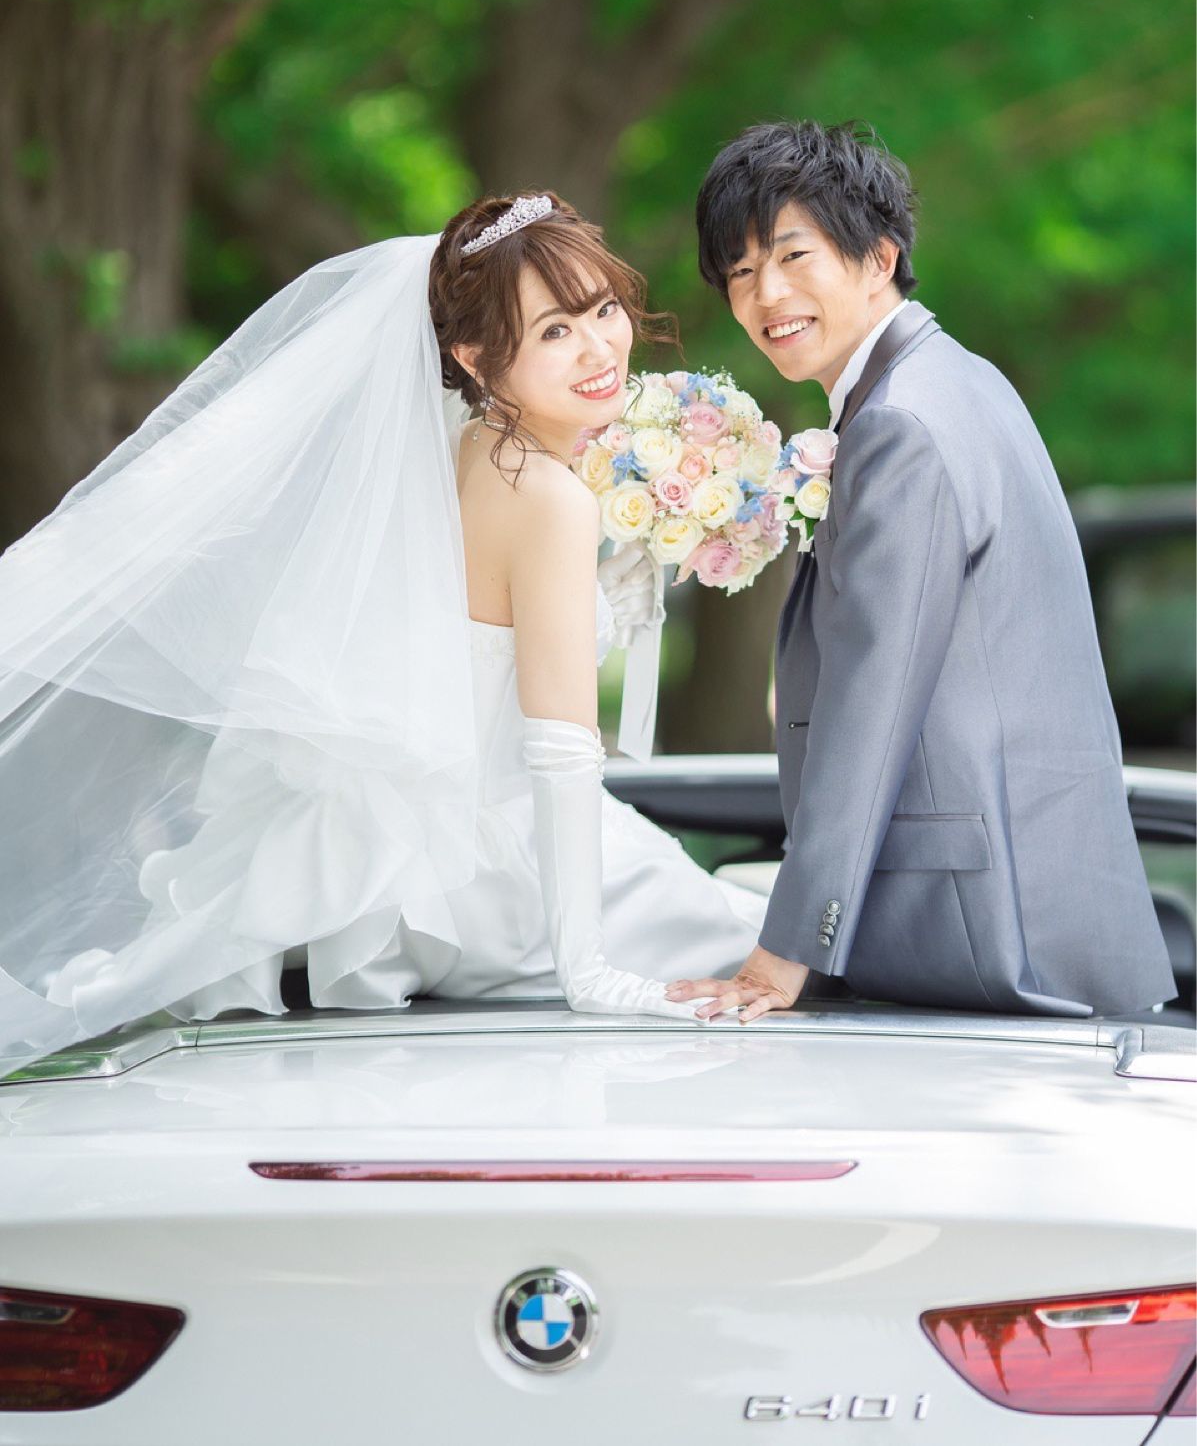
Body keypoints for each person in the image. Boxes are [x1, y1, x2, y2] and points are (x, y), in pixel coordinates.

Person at [0, 194, 762, 1078]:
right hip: (489, 870)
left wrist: (615, 578)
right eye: (555, 330)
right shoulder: (551, 498)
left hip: (408, 846)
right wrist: (585, 971)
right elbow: (559, 752)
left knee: (752, 918)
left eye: (602, 309)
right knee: (762, 946)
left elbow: (483, 640)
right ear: (474, 355)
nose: (598, 348)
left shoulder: (469, 447)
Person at [667, 120, 1176, 1023]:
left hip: (986, 932)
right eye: (739, 272)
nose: (765, 293)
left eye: (792, 255)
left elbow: (872, 698)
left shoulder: (898, 423)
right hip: (1036, 909)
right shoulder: (959, 379)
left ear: (879, 257)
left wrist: (785, 953)